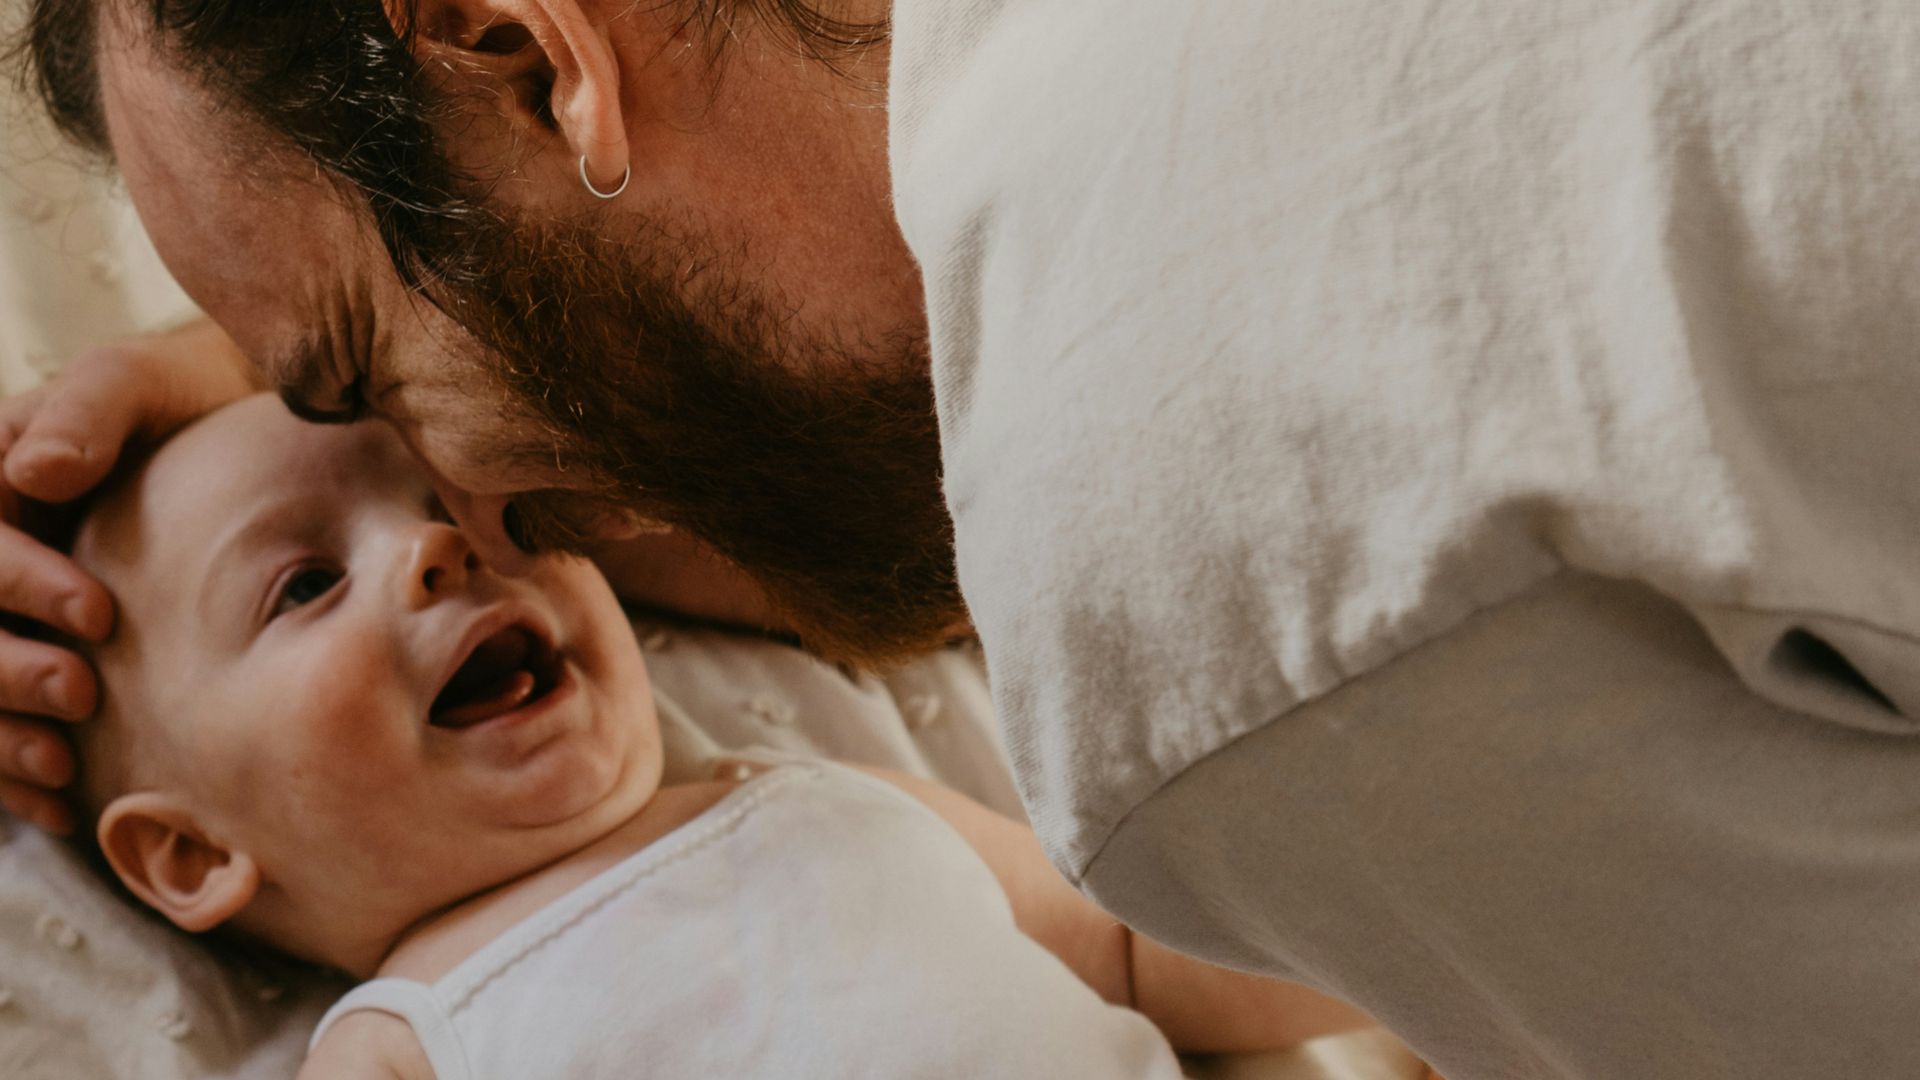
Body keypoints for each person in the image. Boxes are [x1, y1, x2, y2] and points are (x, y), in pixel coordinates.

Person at [4, 2, 1920, 1075]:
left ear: (532, 48)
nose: (475, 527)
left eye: (367, 384)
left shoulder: (1208, 621)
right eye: (307, 565)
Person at [66, 392, 1366, 1078]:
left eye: (442, 498)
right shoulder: (408, 1039)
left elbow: (1138, 951)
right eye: (302, 585)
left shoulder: (830, 803)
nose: (435, 544)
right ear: (191, 855)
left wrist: (1401, 946)